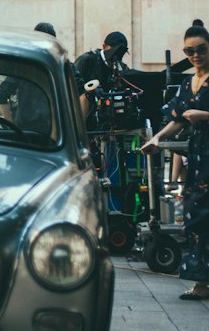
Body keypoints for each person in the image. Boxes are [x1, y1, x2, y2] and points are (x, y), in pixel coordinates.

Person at [142, 22, 209, 300]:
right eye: (189, 51)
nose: (195, 55)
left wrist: (203, 116)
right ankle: (201, 281)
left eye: (201, 49)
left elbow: (191, 115)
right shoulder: (187, 83)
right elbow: (177, 119)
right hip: (198, 157)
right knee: (196, 217)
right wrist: (157, 138)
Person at [74, 31, 133, 128]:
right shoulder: (86, 60)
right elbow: (73, 85)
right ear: (104, 46)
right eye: (114, 51)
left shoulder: (122, 68)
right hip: (86, 115)